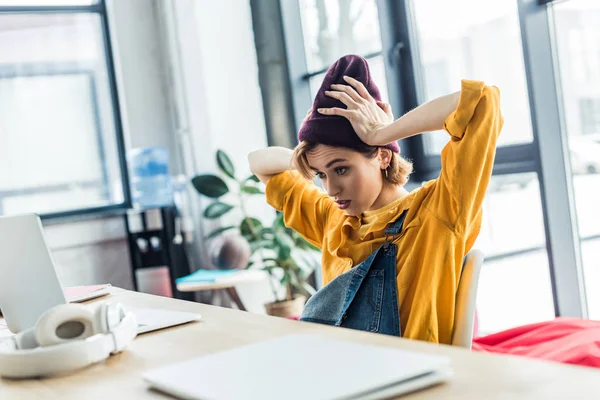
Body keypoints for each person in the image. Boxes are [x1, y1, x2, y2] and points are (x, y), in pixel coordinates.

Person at [248, 54, 503, 344]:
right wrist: (307, 160)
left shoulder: (438, 211)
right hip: (342, 367)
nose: (331, 189)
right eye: (321, 175)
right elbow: (258, 163)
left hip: (410, 377)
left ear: (382, 156)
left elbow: (482, 100)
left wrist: (382, 133)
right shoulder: (335, 218)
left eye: (341, 169)